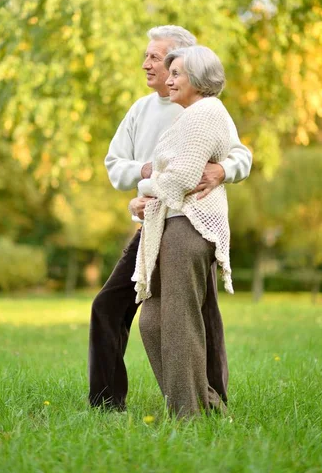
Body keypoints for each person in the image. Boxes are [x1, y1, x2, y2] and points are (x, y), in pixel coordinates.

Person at [88, 26, 252, 412]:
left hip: (190, 221)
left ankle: (209, 401)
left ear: (183, 65)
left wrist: (221, 171)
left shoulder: (204, 109)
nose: (146, 64)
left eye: (156, 58)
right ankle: (107, 403)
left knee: (200, 314)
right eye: (146, 56)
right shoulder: (141, 109)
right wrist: (145, 178)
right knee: (111, 306)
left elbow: (240, 155)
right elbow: (115, 166)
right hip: (153, 221)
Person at [132, 45, 234, 418]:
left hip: (188, 228)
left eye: (176, 74)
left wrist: (144, 190)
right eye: (168, 72)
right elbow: (173, 180)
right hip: (169, 225)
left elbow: (182, 178)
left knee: (178, 323)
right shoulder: (190, 116)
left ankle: (187, 417)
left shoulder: (205, 113)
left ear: (199, 79)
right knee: (153, 321)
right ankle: (206, 408)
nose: (168, 80)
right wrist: (143, 199)